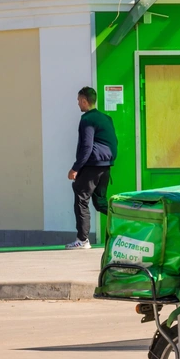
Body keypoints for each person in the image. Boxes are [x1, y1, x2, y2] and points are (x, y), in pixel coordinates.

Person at [66, 87, 117, 250]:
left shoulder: (87, 119)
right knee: (101, 203)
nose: (78, 104)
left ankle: (82, 240)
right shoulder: (106, 118)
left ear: (84, 100)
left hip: (92, 166)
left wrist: (75, 168)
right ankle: (126, 225)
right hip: (105, 167)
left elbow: (86, 146)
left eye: (78, 100)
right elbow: (114, 142)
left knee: (81, 199)